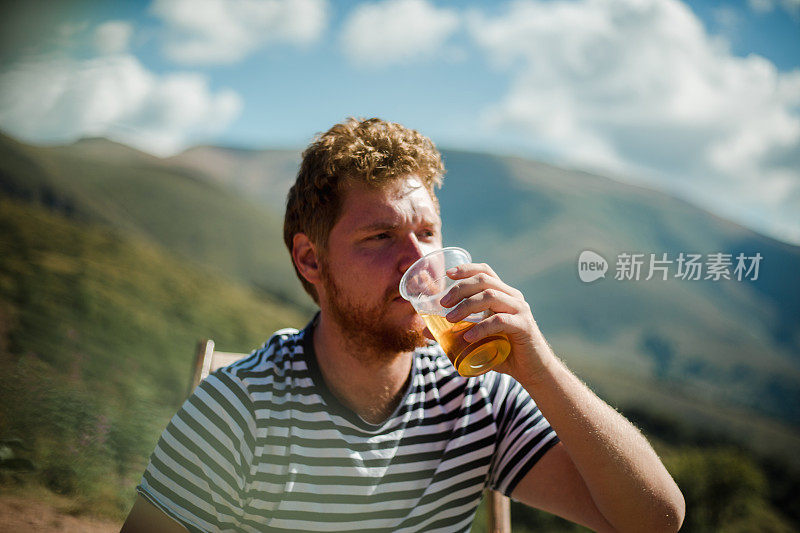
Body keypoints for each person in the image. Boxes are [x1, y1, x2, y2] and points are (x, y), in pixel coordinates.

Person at [121, 118, 685, 532]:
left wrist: (539, 367)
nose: (419, 263)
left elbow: (654, 520)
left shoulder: (476, 399)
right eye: (380, 237)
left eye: (428, 234)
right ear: (311, 261)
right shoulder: (238, 411)